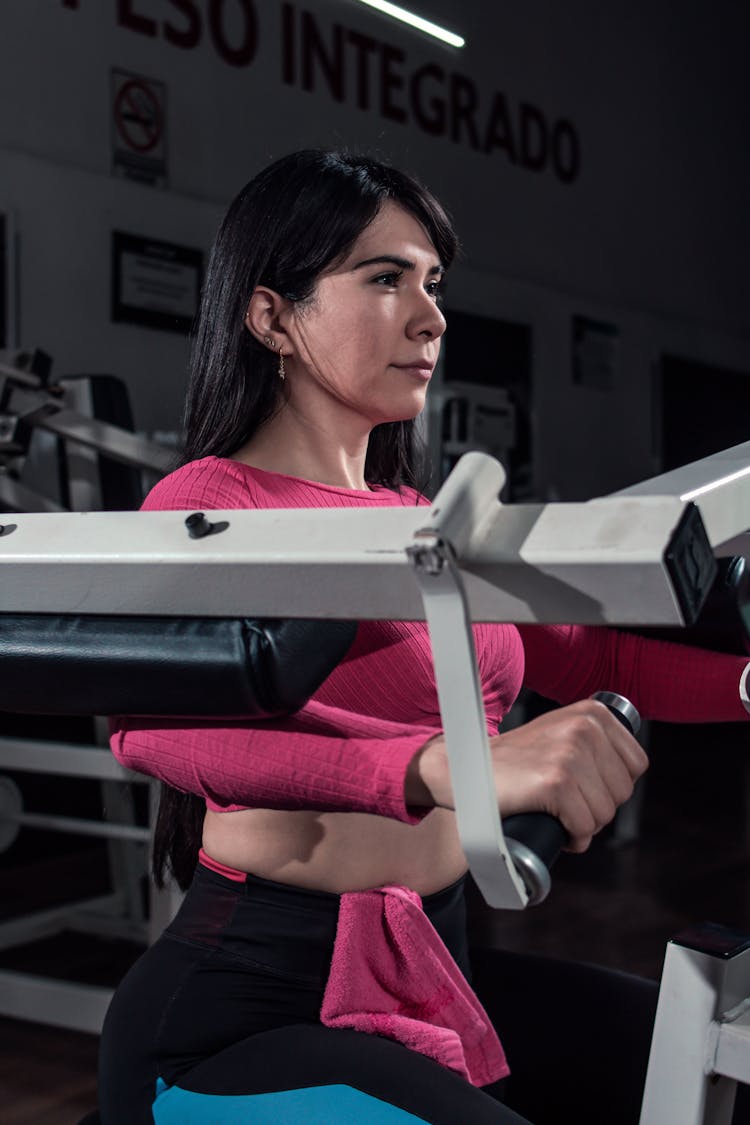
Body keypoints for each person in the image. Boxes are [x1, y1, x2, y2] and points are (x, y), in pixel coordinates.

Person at [98, 149, 750, 1125]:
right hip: (242, 1009)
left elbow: (596, 657)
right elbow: (159, 731)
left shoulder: (426, 520)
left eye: (433, 283)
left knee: (713, 1087)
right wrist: (452, 768)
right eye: (385, 278)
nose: (431, 315)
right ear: (272, 315)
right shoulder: (208, 503)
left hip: (432, 973)